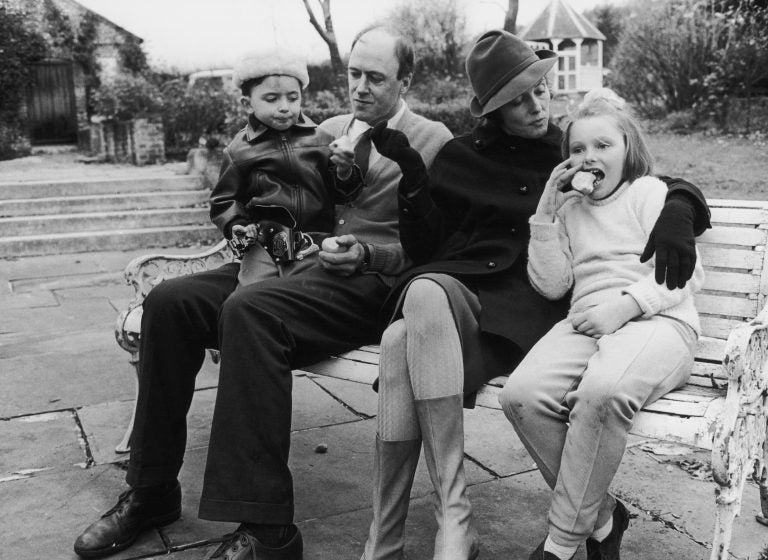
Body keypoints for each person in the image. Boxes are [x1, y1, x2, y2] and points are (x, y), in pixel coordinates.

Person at [72, 25, 452, 560]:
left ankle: (269, 531)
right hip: (288, 268)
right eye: (353, 74)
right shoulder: (326, 129)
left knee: (250, 311)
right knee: (170, 302)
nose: (360, 88)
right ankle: (152, 489)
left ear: (406, 80)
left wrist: (368, 255)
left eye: (376, 78)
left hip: (367, 285)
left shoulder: (434, 141)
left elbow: (434, 244)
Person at [359, 30, 710, 560]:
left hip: (527, 308)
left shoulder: (568, 145)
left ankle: (473, 531)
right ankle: (432, 523)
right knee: (414, 312)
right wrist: (411, 168)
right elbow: (427, 245)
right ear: (492, 110)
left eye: (540, 90)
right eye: (517, 99)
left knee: (401, 337)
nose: (536, 105)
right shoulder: (461, 157)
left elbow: (646, 176)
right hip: (470, 292)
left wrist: (680, 210)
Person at [498, 88, 704, 560]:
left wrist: (628, 305)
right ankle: (605, 517)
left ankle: (562, 543)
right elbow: (552, 285)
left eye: (603, 146)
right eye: (577, 149)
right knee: (521, 396)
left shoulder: (649, 194)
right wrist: (545, 213)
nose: (589, 157)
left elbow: (690, 274)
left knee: (602, 393)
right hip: (589, 321)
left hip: (659, 319)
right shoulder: (570, 211)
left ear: (627, 148)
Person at [209, 46, 349, 286]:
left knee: (308, 296)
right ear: (247, 103)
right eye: (272, 99)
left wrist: (345, 170)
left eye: (293, 98)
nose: (285, 106)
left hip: (314, 242)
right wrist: (237, 225)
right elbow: (224, 200)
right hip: (264, 244)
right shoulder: (239, 150)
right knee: (253, 297)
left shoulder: (322, 140)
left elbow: (343, 193)